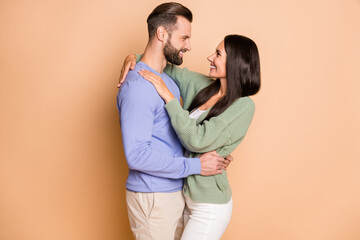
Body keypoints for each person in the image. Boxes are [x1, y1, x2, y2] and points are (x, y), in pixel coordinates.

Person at [119, 34, 261, 239]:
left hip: (210, 205)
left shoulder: (244, 106)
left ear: (236, 63)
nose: (210, 57)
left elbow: (197, 140)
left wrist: (169, 98)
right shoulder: (203, 86)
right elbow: (163, 64)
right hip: (185, 197)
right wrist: (132, 57)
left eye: (219, 54)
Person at [116, 3, 231, 240]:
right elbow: (136, 155)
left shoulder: (166, 81)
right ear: (162, 34)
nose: (188, 46)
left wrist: (216, 151)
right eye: (184, 38)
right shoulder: (139, 87)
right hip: (152, 197)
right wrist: (197, 167)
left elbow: (176, 135)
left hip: (173, 193)